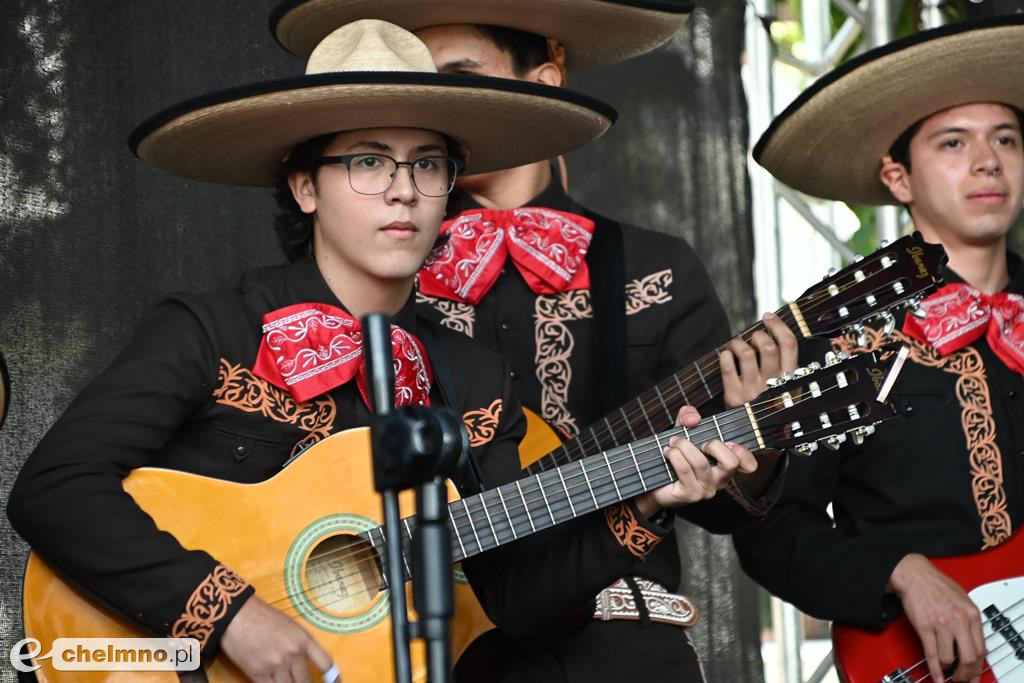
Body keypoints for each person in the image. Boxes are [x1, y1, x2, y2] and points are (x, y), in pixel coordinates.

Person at [7, 19, 762, 683]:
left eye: (427, 163)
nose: (402, 189)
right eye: (367, 161)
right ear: (305, 185)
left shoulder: (470, 377)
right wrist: (229, 613)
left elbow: (516, 598)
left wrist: (647, 503)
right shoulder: (211, 329)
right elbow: (54, 487)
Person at [266, 2, 798, 681]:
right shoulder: (372, 263)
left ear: (542, 87)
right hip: (408, 637)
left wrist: (760, 434)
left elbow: (722, 505)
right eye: (419, 82)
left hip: (622, 638)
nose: (435, 102)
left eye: (459, 76)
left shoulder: (654, 268)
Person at [732, 15, 1024, 683]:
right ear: (898, 178)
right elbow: (772, 532)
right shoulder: (840, 337)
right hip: (930, 661)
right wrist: (897, 570)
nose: (988, 161)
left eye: (1005, 137)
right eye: (954, 143)